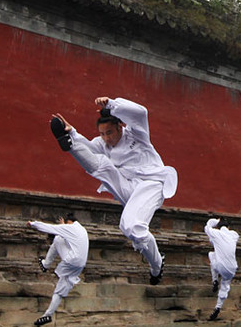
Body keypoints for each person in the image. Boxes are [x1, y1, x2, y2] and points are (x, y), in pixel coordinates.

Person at [50, 96, 178, 284]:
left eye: (109, 133)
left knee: (132, 226)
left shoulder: (136, 134)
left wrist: (111, 104)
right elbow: (91, 149)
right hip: (128, 186)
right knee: (103, 166)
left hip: (152, 183)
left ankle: (156, 266)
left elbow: (141, 113)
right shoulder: (102, 144)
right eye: (102, 134)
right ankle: (70, 147)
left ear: (120, 127)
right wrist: (73, 134)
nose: (106, 138)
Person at [29, 213, 89, 327]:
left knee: (57, 239)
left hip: (71, 260)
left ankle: (45, 264)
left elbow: (51, 228)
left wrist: (33, 224)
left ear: (68, 222)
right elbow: (70, 240)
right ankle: (48, 315)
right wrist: (64, 226)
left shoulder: (70, 228)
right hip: (80, 265)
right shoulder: (82, 230)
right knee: (59, 291)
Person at [204, 217, 239, 321]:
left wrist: (215, 221)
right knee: (225, 285)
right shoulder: (234, 235)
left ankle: (214, 280)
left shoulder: (216, 233)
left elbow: (207, 226)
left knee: (211, 254)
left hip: (220, 266)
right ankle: (218, 307)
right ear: (229, 227)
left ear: (218, 227)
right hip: (232, 268)